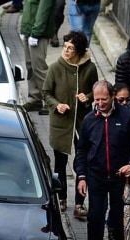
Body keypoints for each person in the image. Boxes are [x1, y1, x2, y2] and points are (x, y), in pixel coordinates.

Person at [74, 80, 130, 240]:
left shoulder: (127, 116)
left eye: (104, 99)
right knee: (95, 217)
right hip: (96, 176)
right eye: (96, 100)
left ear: (112, 96)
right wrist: (81, 177)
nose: (100, 103)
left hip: (118, 176)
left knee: (116, 215)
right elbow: (81, 151)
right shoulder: (89, 120)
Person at [43, 30, 98, 217]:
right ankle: (61, 198)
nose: (66, 51)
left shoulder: (89, 68)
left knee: (82, 162)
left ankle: (80, 204)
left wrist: (88, 97)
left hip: (83, 122)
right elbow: (46, 92)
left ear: (79, 50)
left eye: (71, 48)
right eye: (65, 47)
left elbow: (95, 91)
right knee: (60, 162)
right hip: (61, 122)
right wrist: (57, 105)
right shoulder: (55, 68)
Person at [20, 0, 59, 113]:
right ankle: (35, 98)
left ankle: (49, 101)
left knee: (39, 68)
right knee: (30, 66)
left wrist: (37, 32)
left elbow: (44, 10)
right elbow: (28, 7)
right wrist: (24, 29)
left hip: (37, 32)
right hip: (30, 30)